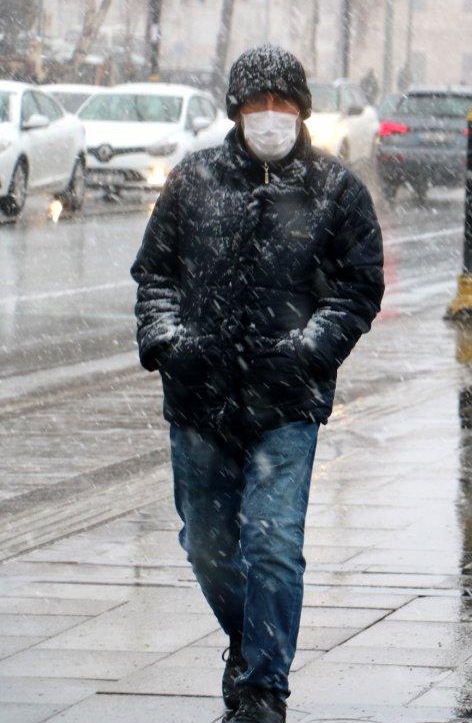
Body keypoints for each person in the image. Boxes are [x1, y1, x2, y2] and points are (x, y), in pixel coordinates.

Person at [131, 44, 385, 723]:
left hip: (286, 398)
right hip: (199, 396)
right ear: (235, 110)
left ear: (301, 110)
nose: (268, 116)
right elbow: (154, 274)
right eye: (256, 103)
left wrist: (310, 349)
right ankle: (251, 645)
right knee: (209, 546)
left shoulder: (335, 189)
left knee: (273, 542)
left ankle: (263, 687)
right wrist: (168, 343)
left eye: (282, 103)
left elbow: (359, 286)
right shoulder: (194, 181)